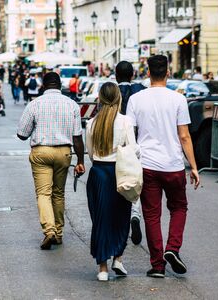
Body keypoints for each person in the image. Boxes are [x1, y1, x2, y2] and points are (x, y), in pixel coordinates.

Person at [126, 55, 200, 278]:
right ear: (168, 72)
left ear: (147, 73)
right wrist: (194, 167)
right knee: (179, 208)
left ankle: (157, 265)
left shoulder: (136, 99)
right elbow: (184, 136)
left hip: (146, 164)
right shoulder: (178, 100)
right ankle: (173, 248)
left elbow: (130, 134)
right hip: (173, 164)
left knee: (151, 215)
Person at [17, 72, 85, 250]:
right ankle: (59, 232)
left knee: (43, 193)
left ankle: (49, 231)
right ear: (60, 84)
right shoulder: (72, 105)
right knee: (58, 193)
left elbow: (21, 134)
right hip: (64, 152)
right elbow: (77, 137)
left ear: (43, 86)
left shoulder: (34, 104)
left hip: (41, 152)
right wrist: (80, 160)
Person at [85, 82, 139, 281]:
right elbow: (134, 149)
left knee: (100, 220)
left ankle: (102, 268)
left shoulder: (91, 123)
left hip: (98, 173)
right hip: (120, 173)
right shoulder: (125, 121)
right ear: (118, 98)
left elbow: (90, 153)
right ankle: (118, 258)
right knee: (121, 217)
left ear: (99, 98)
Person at [115, 60, 146, 245]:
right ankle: (135, 214)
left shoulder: (111, 90)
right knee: (135, 181)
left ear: (116, 75)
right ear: (132, 74)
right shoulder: (140, 90)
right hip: (135, 142)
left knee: (118, 180)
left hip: (116, 143)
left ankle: (120, 220)